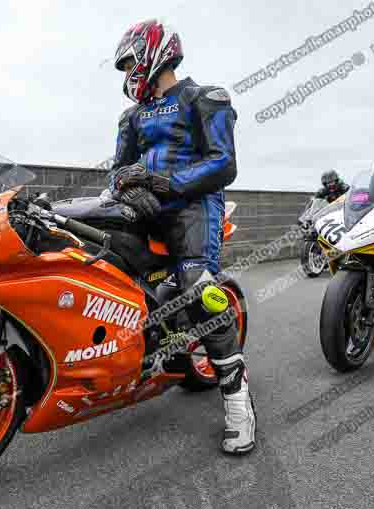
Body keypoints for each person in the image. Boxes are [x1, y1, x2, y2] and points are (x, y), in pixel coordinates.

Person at [108, 19, 256, 454]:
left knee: (198, 289)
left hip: (195, 205)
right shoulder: (131, 116)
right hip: (144, 207)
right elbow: (117, 171)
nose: (128, 72)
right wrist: (131, 186)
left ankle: (238, 402)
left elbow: (224, 164)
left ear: (155, 52)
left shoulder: (204, 98)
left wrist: (163, 183)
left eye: (130, 62)